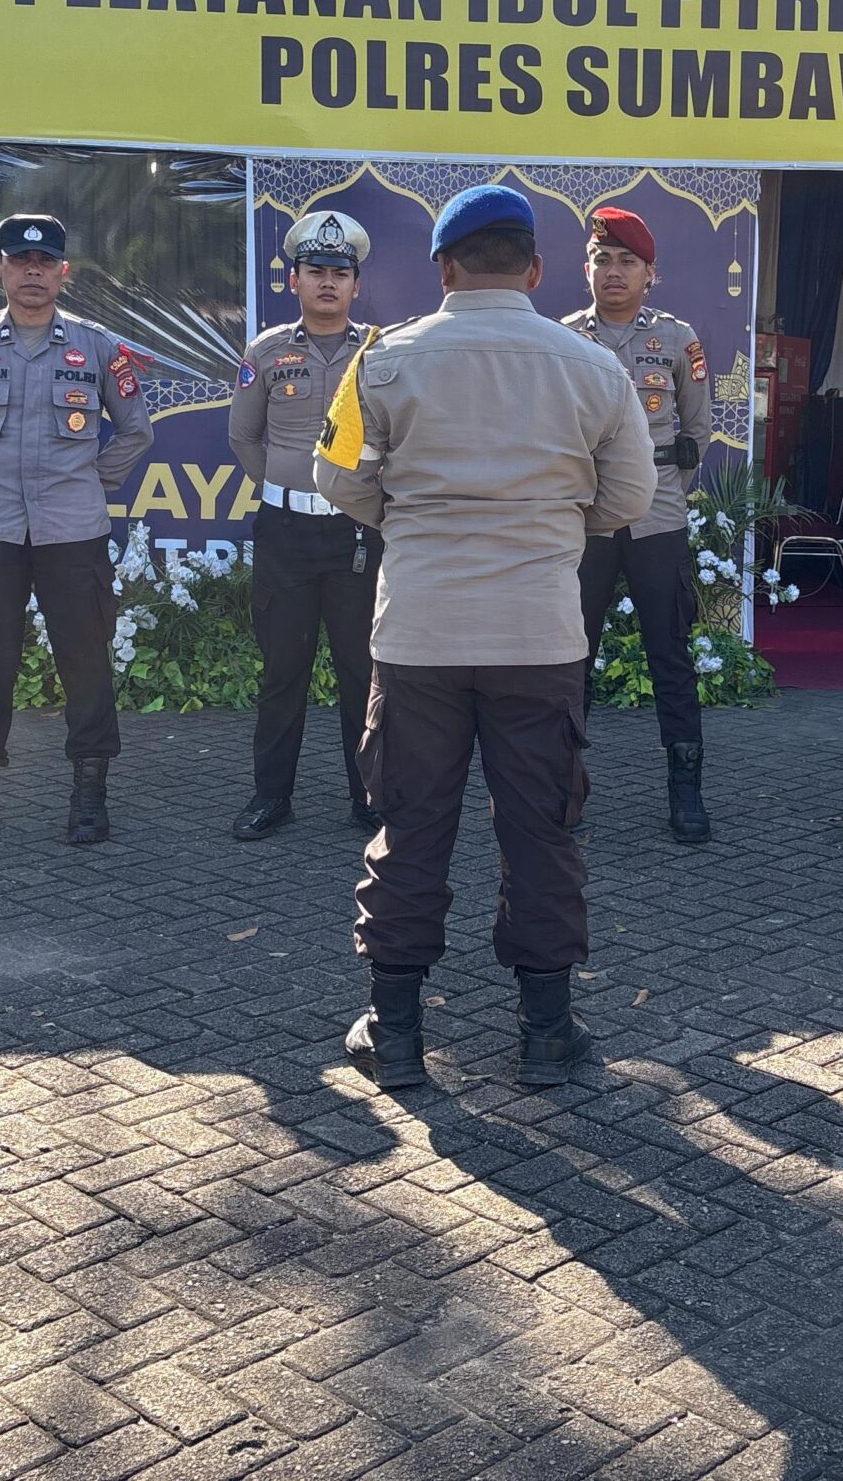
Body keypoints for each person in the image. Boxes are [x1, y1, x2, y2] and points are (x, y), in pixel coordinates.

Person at [313, 183, 653, 1091]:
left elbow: (338, 478)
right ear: (536, 270)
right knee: (541, 832)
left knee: (410, 827)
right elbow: (629, 497)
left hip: (418, 635)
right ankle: (545, 1033)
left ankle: (394, 1034)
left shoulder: (382, 362)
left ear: (443, 267)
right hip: (538, 635)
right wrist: (547, 529)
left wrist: (415, 524)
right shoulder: (594, 368)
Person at [0, 214, 153, 848]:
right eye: (20, 260)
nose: (32, 271)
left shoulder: (98, 347)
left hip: (72, 530)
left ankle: (89, 796)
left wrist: (88, 480)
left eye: (44, 262)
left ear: (63, 272)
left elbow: (136, 430)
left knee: (86, 662)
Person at [562, 205, 715, 843]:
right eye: (602, 259)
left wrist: (662, 492)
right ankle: (562, 786)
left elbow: (696, 433)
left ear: (650, 273)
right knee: (569, 656)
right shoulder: (563, 338)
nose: (614, 271)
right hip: (586, 521)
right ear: (586, 269)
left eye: (628, 261)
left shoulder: (677, 340)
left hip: (657, 519)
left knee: (670, 655)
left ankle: (686, 789)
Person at [228, 208, 381, 840]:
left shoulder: (379, 352)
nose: (327, 282)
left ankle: (369, 797)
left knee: (362, 673)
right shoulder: (266, 351)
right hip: (286, 534)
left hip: (355, 534)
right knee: (282, 672)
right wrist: (288, 488)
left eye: (339, 273)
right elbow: (244, 437)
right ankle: (272, 797)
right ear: (294, 280)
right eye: (315, 271)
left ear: (355, 285)